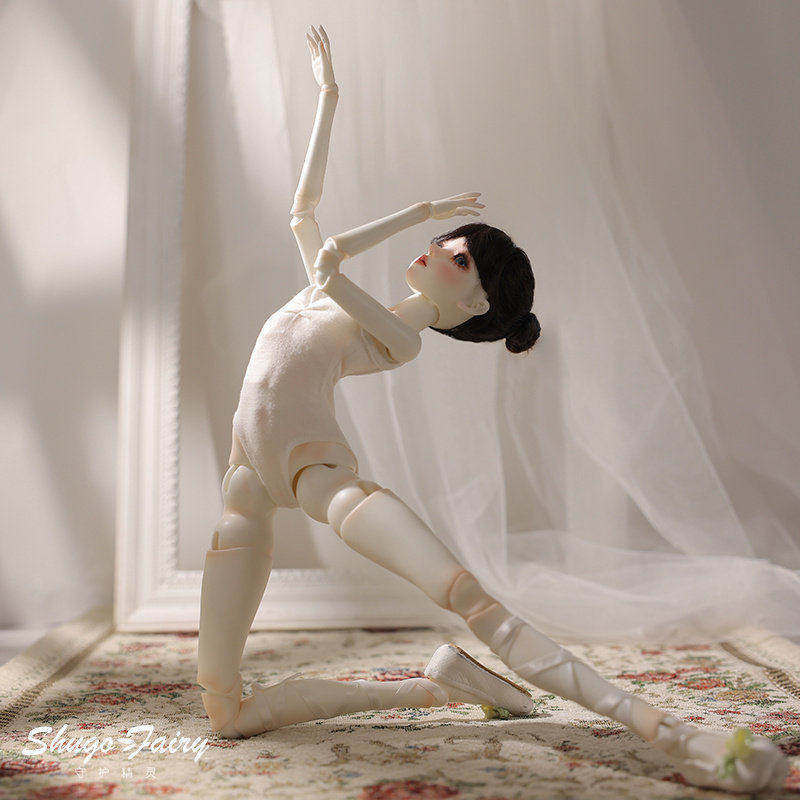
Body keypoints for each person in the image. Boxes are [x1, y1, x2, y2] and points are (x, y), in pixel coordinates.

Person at [197, 25, 786, 793]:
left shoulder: (397, 341)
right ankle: (437, 688)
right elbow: (304, 218)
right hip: (245, 477)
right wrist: (330, 97)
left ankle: (667, 731)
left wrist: (398, 221)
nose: (436, 246)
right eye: (445, 237)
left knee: (467, 596)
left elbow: (334, 262)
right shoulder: (329, 294)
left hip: (322, 479)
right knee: (225, 711)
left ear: (472, 304)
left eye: (458, 255)